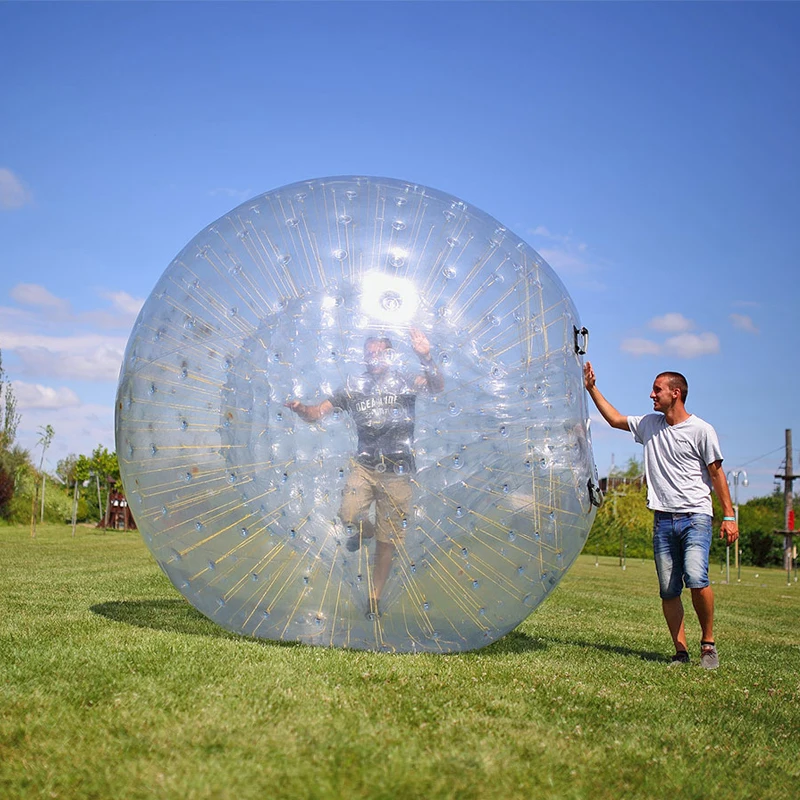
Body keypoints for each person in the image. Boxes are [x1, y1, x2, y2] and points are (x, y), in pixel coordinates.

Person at [583, 361, 739, 669]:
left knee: (697, 577)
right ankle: (680, 652)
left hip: (695, 516)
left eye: (657, 390)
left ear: (676, 393)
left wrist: (729, 516)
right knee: (668, 589)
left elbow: (717, 474)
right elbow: (614, 419)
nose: (651, 395)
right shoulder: (649, 425)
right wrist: (591, 388)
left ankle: (708, 644)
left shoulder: (701, 430)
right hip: (663, 518)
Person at [286, 329, 444, 619]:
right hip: (365, 467)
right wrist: (300, 410)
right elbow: (317, 412)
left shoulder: (405, 381)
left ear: (390, 355)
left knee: (388, 540)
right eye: (369, 353)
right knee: (348, 515)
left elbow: (435, 386)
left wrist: (426, 356)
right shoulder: (354, 386)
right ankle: (364, 529)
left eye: (380, 353)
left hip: (398, 471)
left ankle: (374, 598)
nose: (374, 358)